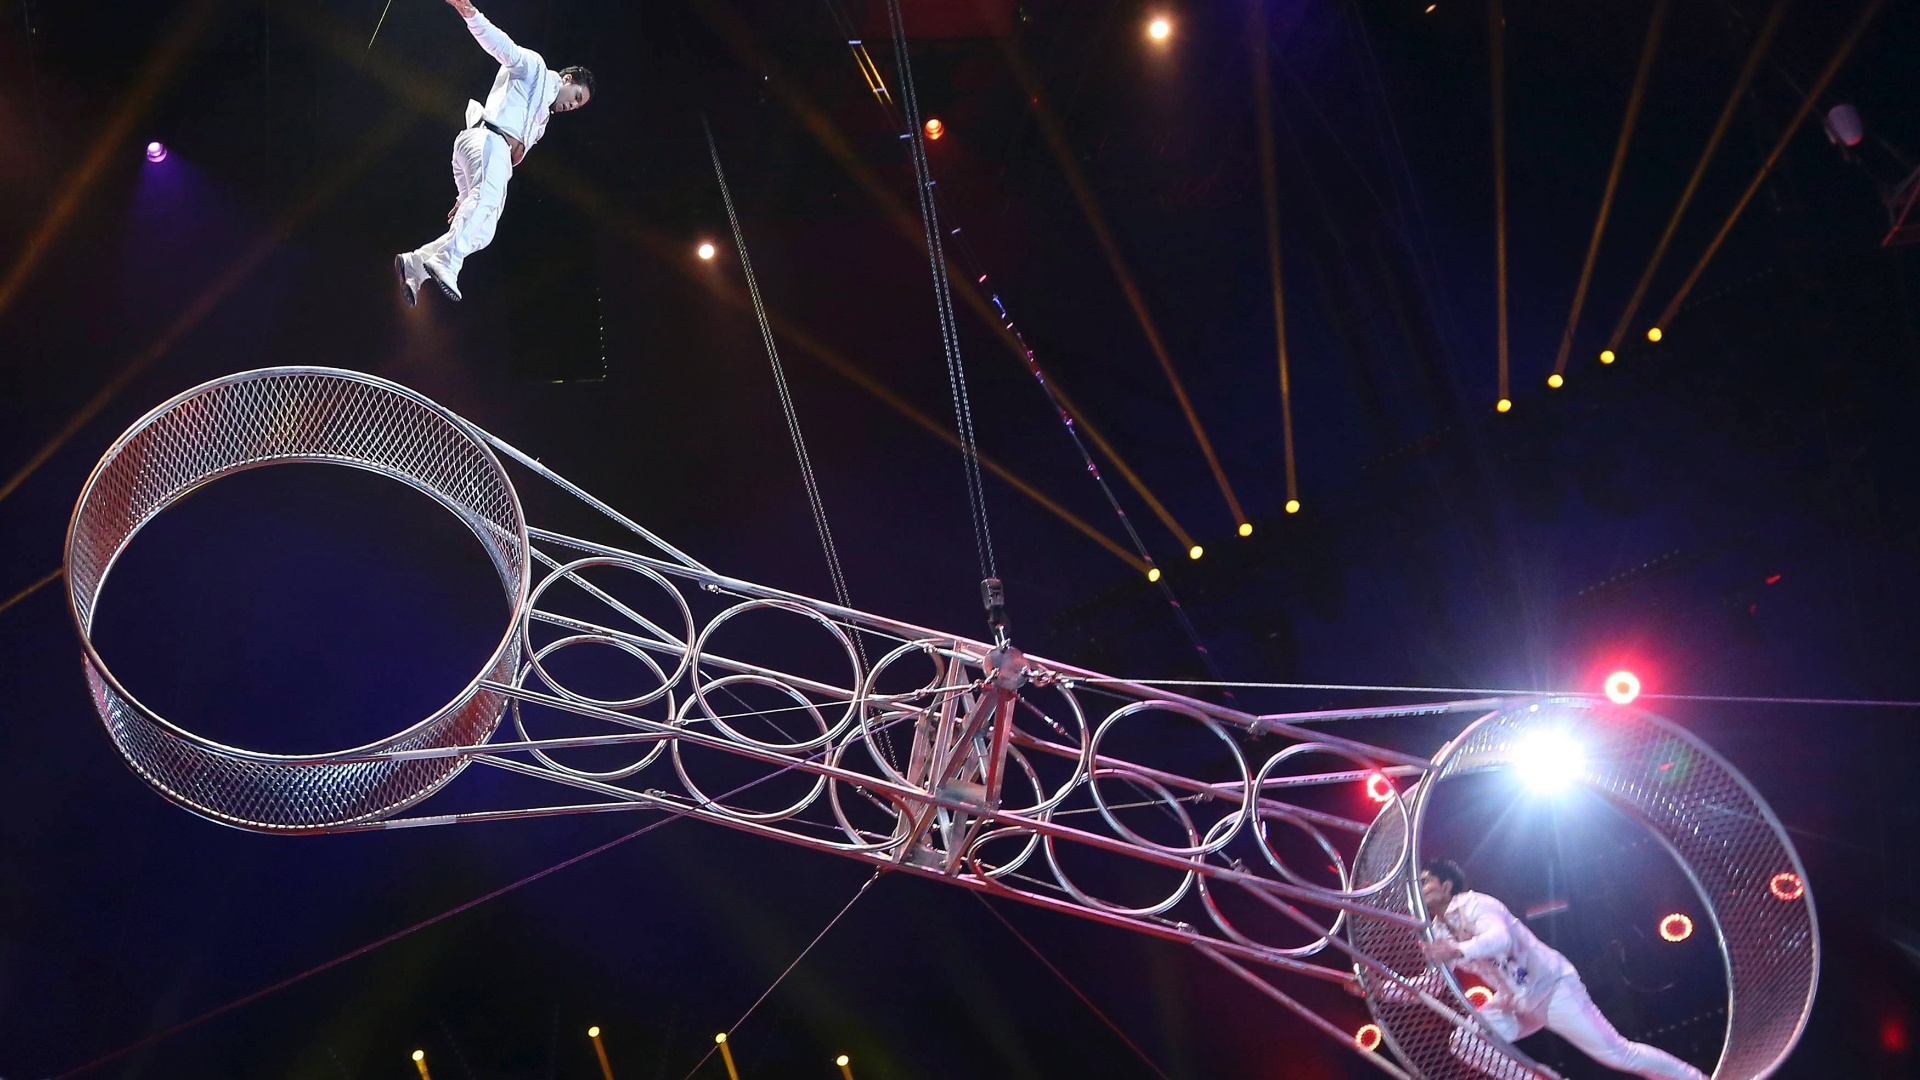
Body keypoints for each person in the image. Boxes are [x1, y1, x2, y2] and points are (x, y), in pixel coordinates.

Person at [1417, 859, 1708, 1080]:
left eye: (1427, 881)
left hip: (1551, 988)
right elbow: (1432, 983)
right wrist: (1381, 988)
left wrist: (1458, 949)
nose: (1421, 888)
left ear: (1446, 886)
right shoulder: (1440, 931)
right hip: (1515, 1001)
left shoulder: (1476, 904)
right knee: (1466, 1041)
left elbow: (1499, 938)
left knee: (1618, 1054)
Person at [395, 0, 594, 304]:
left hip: (479, 152)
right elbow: (503, 47)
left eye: (578, 106)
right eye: (576, 96)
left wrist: (465, 197)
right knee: (484, 204)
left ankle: (416, 264)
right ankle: (447, 262)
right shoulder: (536, 70)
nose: (573, 105)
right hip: (488, 140)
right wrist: (472, 14)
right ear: (568, 79)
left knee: (483, 231)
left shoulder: (541, 119)